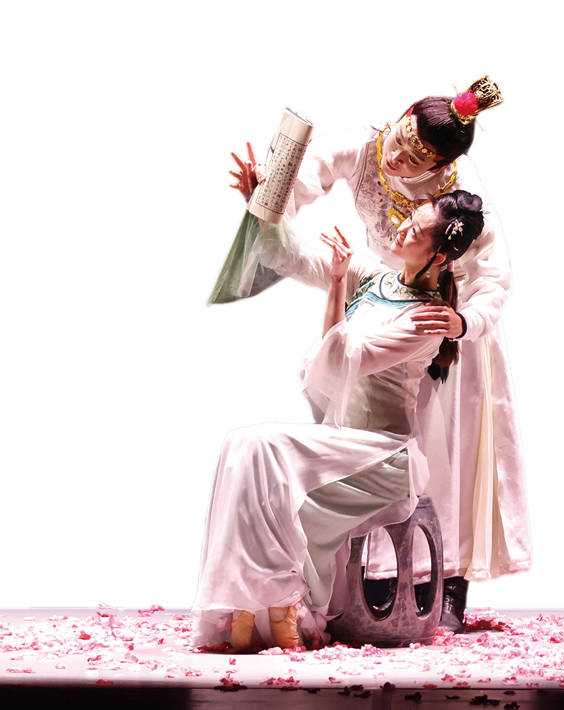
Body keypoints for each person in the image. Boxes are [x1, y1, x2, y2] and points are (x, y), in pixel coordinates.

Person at [211, 77, 531, 632]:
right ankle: (356, 583)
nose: (398, 159)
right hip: (383, 298)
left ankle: (441, 581)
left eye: (416, 159)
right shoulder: (367, 158)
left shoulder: (457, 200)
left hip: (442, 321)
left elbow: (491, 278)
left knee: (448, 450)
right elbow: (303, 190)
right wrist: (266, 199)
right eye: (401, 140)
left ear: (441, 167)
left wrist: (462, 322)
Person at [193, 191, 486, 652]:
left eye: (416, 229)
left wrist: (336, 284)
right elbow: (297, 260)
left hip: (384, 457)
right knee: (242, 446)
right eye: (409, 218)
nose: (402, 228)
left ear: (439, 256)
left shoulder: (426, 321)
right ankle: (250, 603)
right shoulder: (374, 278)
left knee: (261, 446)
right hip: (341, 442)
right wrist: (265, 206)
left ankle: (276, 601)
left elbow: (340, 359)